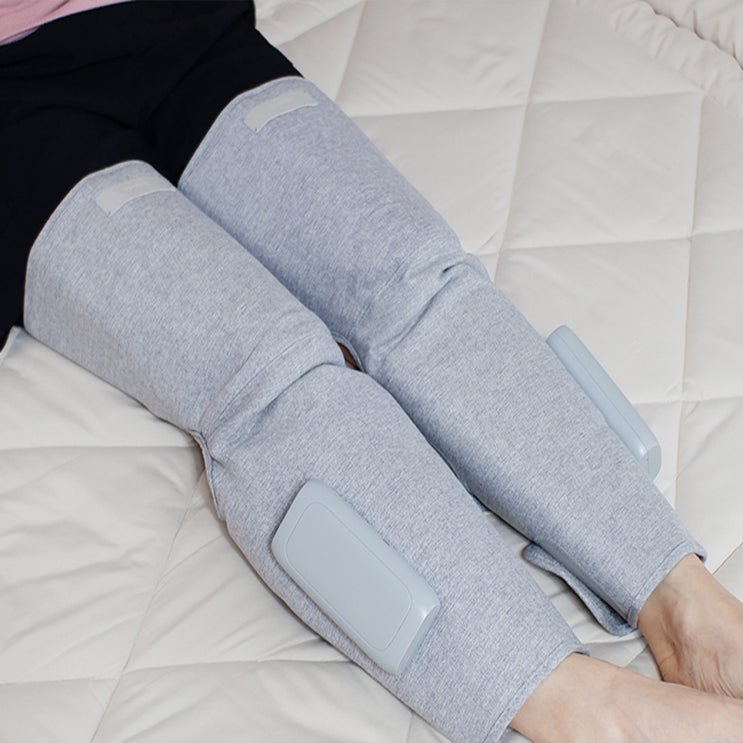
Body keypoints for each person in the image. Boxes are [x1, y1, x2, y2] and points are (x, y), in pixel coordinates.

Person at [2, 2, 743, 741]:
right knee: (269, 379)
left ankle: (684, 601)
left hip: (174, 25)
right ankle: (586, 707)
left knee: (418, 281)